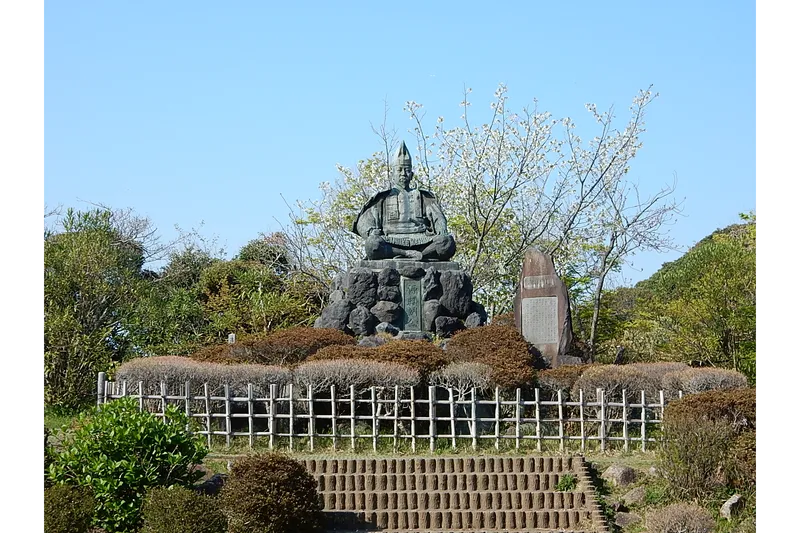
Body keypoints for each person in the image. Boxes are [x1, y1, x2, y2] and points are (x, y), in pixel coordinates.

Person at [352, 141, 456, 261]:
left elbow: (439, 218)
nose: (403, 173)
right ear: (393, 174)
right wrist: (370, 231)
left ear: (412, 174)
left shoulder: (424, 197)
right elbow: (364, 222)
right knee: (372, 244)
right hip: (390, 241)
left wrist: (441, 228)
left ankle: (421, 255)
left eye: (407, 170)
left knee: (447, 241)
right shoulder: (382, 198)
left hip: (422, 241)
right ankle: (405, 253)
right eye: (399, 170)